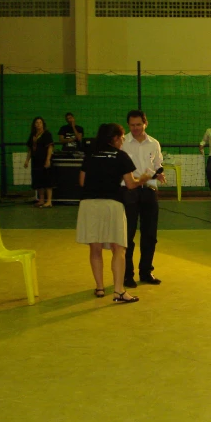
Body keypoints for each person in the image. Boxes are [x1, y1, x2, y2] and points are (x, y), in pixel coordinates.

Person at [77, 123, 151, 303]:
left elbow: (81, 182)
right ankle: (118, 291)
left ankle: (100, 288)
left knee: (95, 248)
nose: (124, 140)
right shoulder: (121, 156)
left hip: (89, 205)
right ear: (115, 138)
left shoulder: (91, 154)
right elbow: (131, 184)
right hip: (112, 205)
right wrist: (144, 179)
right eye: (122, 137)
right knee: (118, 248)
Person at [122, 110, 165, 287]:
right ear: (128, 125)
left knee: (149, 233)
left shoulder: (154, 143)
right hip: (128, 190)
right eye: (132, 125)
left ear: (145, 124)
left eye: (138, 124)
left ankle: (146, 272)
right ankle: (127, 275)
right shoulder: (122, 142)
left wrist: (159, 174)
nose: (135, 128)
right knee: (128, 234)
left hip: (149, 188)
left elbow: (157, 165)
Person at [24, 116, 54, 208]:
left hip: (44, 160)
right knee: (38, 181)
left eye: (40, 122)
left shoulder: (46, 134)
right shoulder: (33, 135)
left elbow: (50, 147)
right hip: (35, 161)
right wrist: (27, 160)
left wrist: (48, 159)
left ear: (43, 124)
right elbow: (30, 149)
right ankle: (41, 200)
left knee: (47, 180)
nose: (38, 124)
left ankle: (49, 201)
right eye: (36, 122)